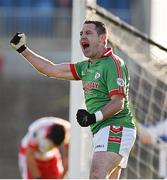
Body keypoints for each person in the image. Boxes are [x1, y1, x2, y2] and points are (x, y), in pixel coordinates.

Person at [10, 20, 136, 179]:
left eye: (88, 33)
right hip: (101, 130)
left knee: (96, 175)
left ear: (103, 38)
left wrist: (92, 117)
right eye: (81, 34)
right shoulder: (85, 67)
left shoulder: (113, 63)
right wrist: (23, 49)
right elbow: (51, 70)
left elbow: (118, 103)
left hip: (117, 127)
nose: (83, 36)